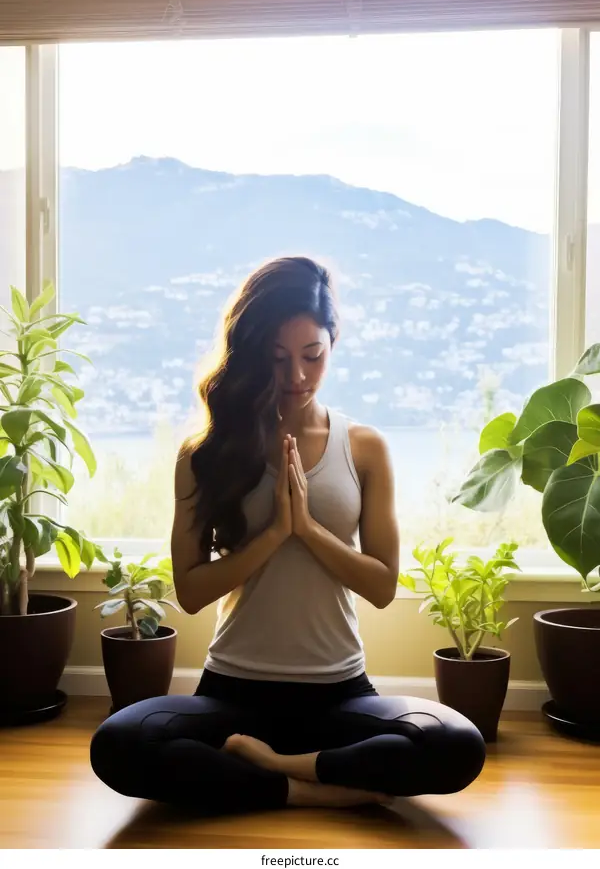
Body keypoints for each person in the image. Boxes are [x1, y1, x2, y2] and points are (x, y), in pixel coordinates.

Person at [90, 256, 486, 815]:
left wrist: (307, 529)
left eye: (312, 356)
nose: (296, 377)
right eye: (276, 359)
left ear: (333, 343)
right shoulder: (207, 453)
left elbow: (382, 586)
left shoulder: (365, 447)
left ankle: (275, 768)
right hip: (232, 691)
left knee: (458, 745)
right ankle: (309, 788)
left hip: (339, 693)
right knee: (117, 746)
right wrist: (275, 533)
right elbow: (192, 591)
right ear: (251, 355)